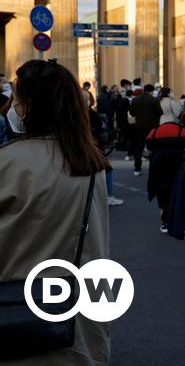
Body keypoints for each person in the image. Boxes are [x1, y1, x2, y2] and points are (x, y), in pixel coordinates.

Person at [0, 59, 110, 365]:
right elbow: (98, 251)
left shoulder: (8, 163)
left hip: (14, 319)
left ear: (29, 106)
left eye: (16, 99)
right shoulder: (91, 164)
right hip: (77, 328)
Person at [129, 84, 162, 176]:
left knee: (139, 148)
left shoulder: (135, 100)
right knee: (153, 148)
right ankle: (153, 168)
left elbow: (132, 113)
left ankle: (137, 168)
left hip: (139, 126)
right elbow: (160, 112)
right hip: (152, 127)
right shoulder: (154, 100)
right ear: (151, 91)